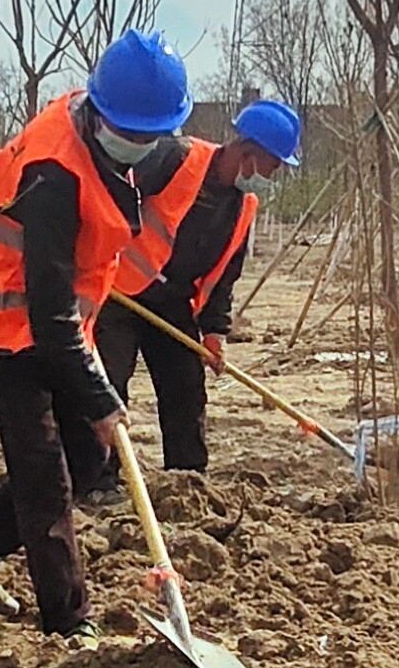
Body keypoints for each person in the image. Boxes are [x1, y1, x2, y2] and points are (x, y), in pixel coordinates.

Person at [0, 30, 195, 641]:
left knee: (89, 457)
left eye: (150, 136)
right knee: (45, 480)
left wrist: (96, 405)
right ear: (103, 114)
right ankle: (68, 621)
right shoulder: (53, 175)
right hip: (12, 330)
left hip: (62, 328)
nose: (139, 146)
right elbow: (47, 311)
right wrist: (101, 398)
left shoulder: (111, 143)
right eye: (131, 134)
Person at [98, 97, 300, 472]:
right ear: (249, 152)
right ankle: (100, 479)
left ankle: (188, 476)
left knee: (186, 388)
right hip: (119, 291)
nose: (271, 176)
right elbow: (112, 194)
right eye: (272, 165)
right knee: (107, 386)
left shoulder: (243, 206)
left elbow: (224, 275)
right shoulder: (177, 157)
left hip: (172, 302)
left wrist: (213, 331)